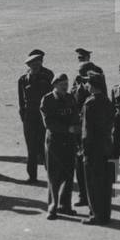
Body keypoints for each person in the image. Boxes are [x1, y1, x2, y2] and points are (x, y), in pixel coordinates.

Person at [40, 73, 80, 220]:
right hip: (54, 143)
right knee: (54, 176)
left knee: (68, 175)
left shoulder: (70, 98)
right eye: (62, 84)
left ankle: (65, 206)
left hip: (69, 142)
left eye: (66, 84)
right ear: (55, 85)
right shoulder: (47, 100)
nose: (65, 86)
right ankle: (52, 208)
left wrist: (75, 131)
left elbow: (75, 116)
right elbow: (48, 123)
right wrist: (68, 129)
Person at [80, 72, 114, 225]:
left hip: (93, 150)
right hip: (107, 147)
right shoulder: (107, 101)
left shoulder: (90, 103)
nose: (86, 85)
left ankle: (96, 215)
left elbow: (86, 131)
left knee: (93, 184)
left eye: (88, 83)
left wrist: (84, 150)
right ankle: (105, 215)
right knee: (106, 184)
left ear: (93, 85)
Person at [17, 51, 54, 183]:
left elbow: (51, 97)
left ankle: (51, 175)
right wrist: (23, 116)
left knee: (45, 147)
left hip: (43, 117)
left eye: (38, 64)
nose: (37, 67)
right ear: (29, 65)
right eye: (34, 65)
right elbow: (21, 101)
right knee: (31, 148)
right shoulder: (22, 80)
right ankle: (32, 176)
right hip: (29, 117)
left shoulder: (47, 77)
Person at [71, 49, 101, 206]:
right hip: (80, 128)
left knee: (94, 165)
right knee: (79, 163)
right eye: (79, 58)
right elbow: (73, 99)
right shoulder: (78, 79)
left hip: (93, 130)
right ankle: (83, 196)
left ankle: (94, 197)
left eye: (83, 58)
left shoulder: (97, 77)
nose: (80, 60)